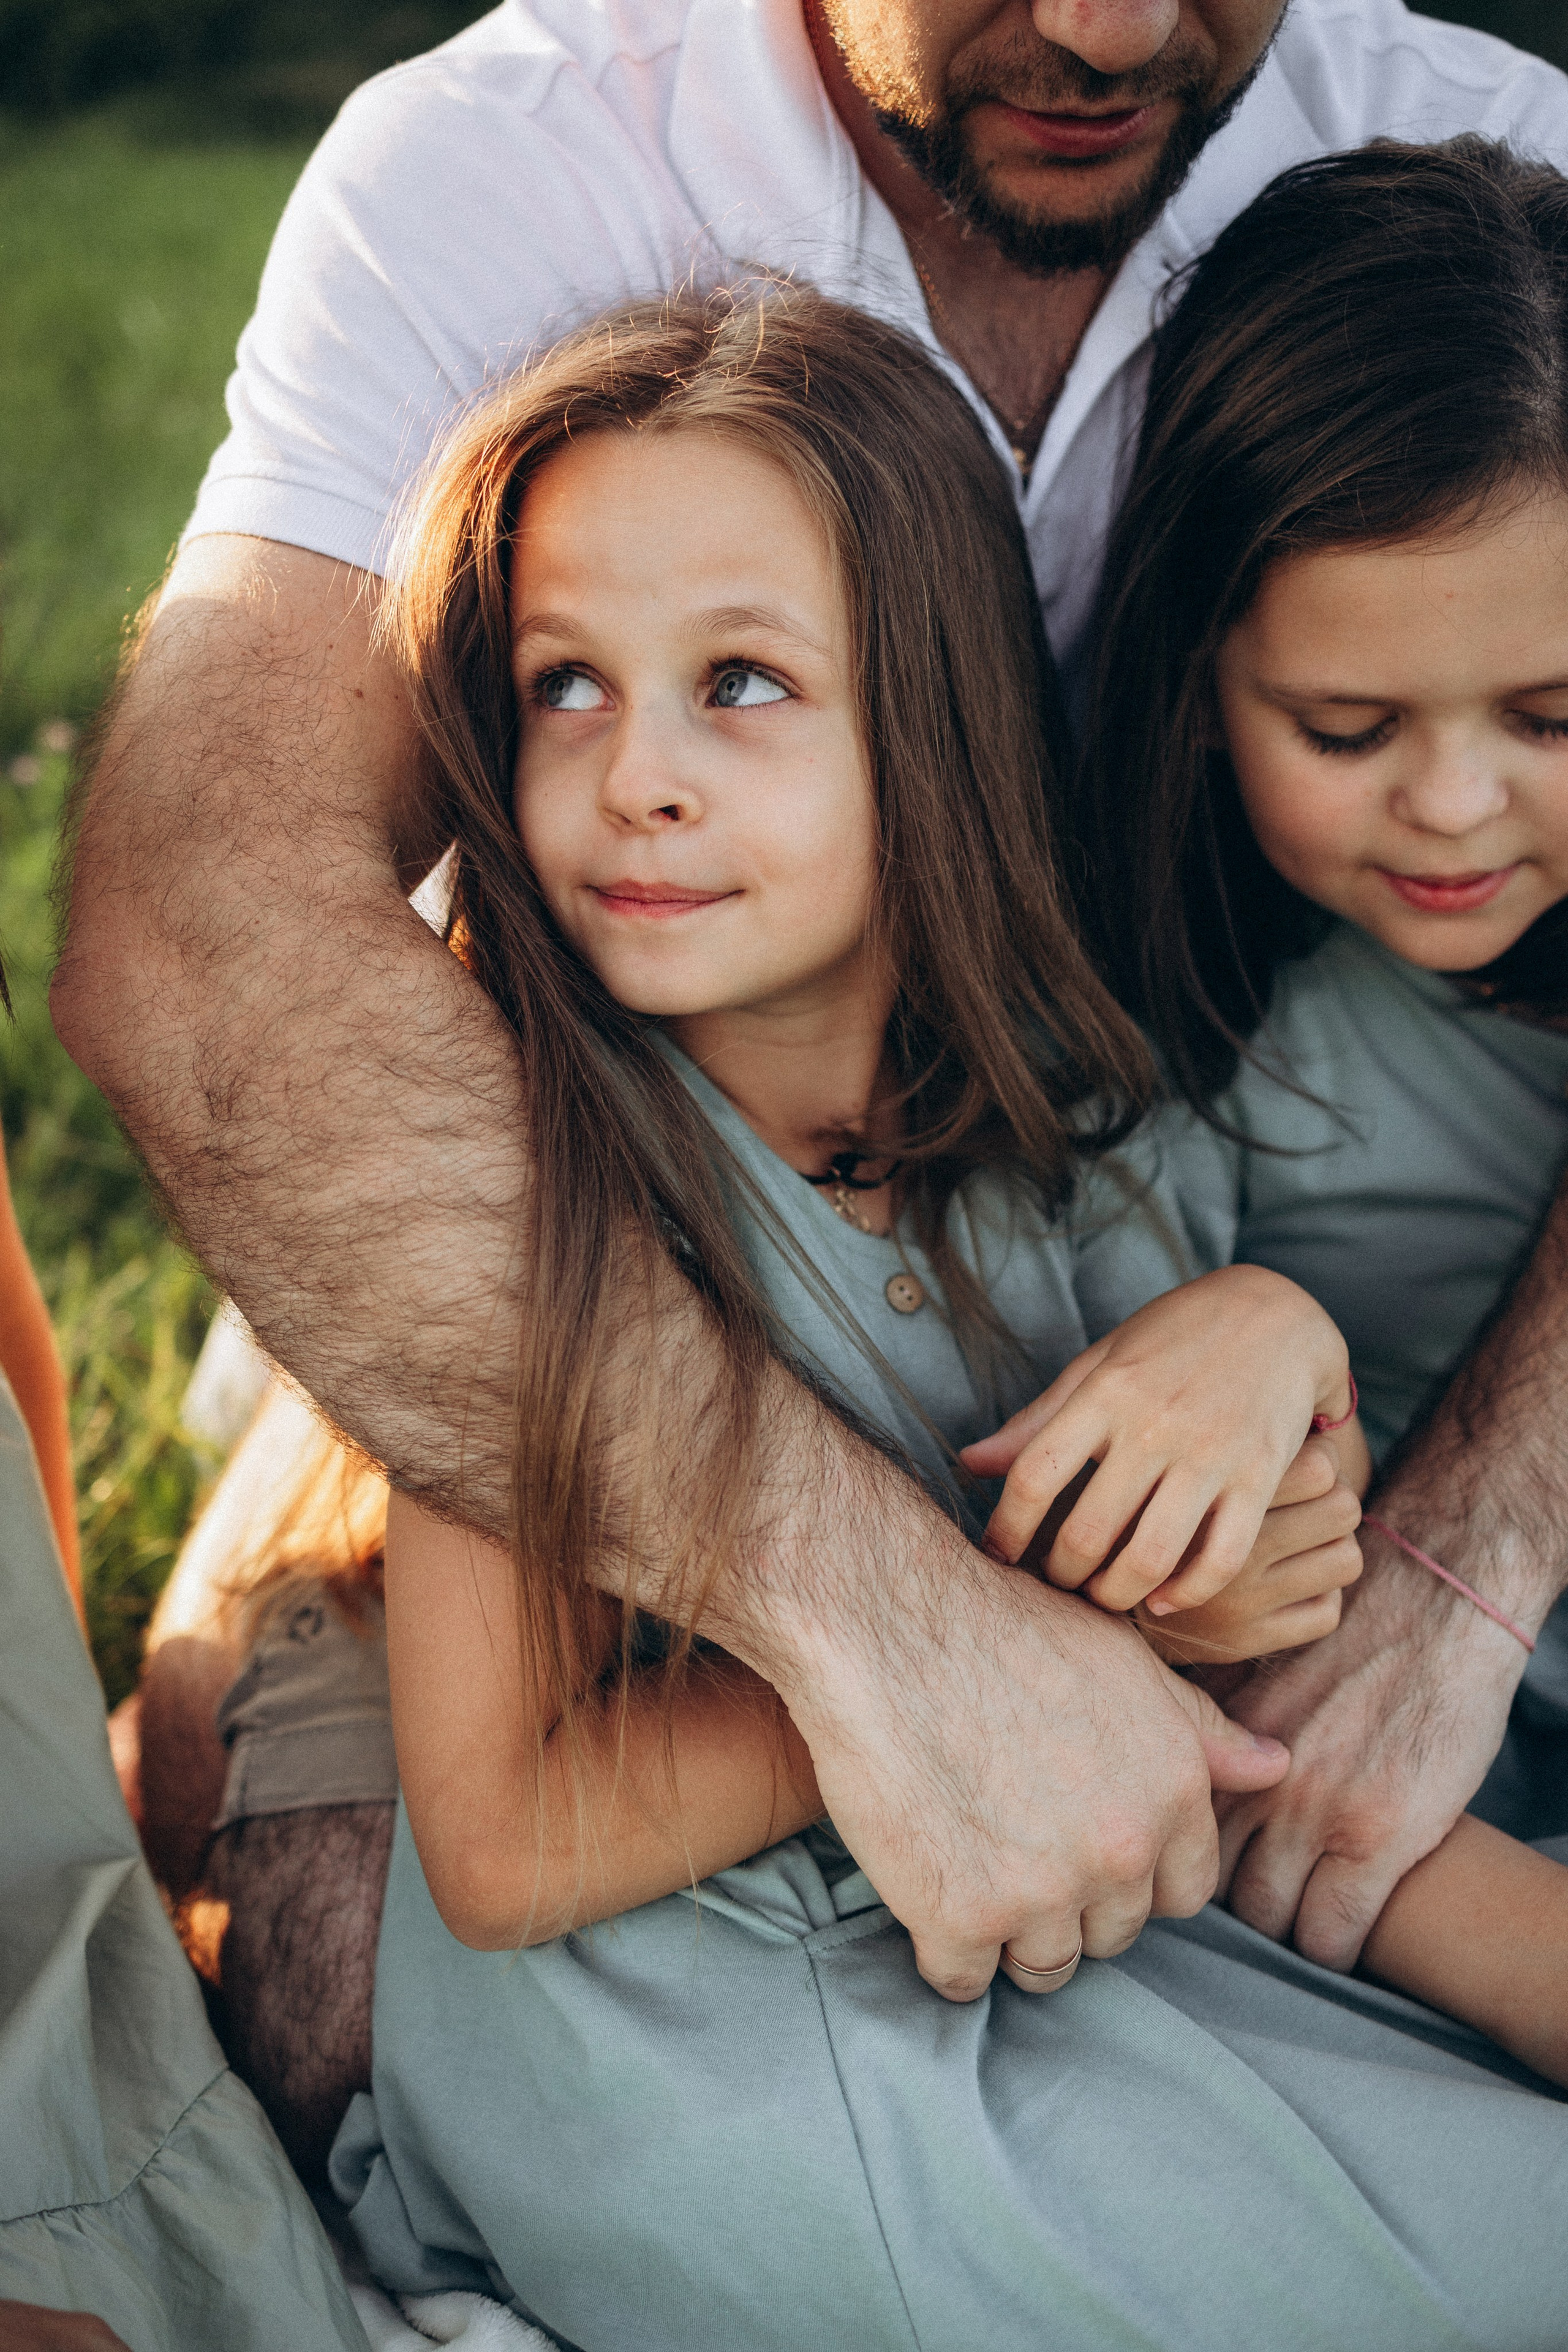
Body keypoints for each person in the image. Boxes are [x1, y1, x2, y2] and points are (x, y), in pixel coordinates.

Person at [52, 0, 1568, 2001]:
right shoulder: (511, 164)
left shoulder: (1486, 174)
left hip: (1059, 1199)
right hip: (555, 1207)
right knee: (328, 1970)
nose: (1110, 28)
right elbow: (200, 932)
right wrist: (901, 1634)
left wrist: (1471, 1542)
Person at [317, 284, 1568, 2352]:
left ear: (941, 713)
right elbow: (504, 1840)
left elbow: (1238, 1653)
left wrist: (1268, 1333)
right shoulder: (534, 1187)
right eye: (564, 687)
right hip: (717, 2046)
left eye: (739, 681)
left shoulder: (1099, 1129)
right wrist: (1024, 1636)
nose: (638, 776)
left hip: (1078, 1944)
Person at [1072, 135, 1568, 1904]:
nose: (1455, 807)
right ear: (1198, 682)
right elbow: (1268, 1745)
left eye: (1555, 719)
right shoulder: (1180, 1059)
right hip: (1448, 1844)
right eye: (1349, 729)